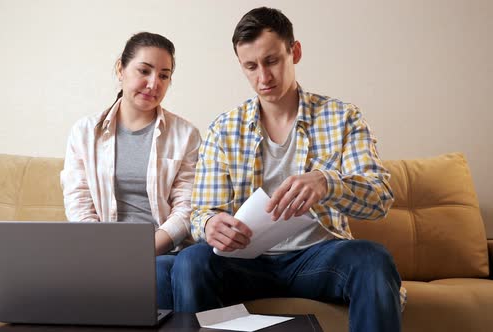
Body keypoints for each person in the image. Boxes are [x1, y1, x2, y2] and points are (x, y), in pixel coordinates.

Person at [171, 7, 405, 331]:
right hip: (247, 264)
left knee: (372, 259)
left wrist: (327, 183)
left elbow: (379, 197)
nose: (263, 78)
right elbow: (202, 213)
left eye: (272, 61)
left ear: (294, 52)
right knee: (191, 262)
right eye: (250, 66)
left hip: (319, 258)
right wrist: (210, 224)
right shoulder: (223, 129)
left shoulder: (342, 117)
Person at [60, 32, 201, 310]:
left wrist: (140, 252)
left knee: (157, 273)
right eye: (144, 71)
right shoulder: (85, 132)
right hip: (102, 252)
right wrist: (109, 253)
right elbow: (79, 204)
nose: (153, 84)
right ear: (120, 69)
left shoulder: (185, 134)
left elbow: (187, 208)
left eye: (164, 75)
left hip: (163, 250)